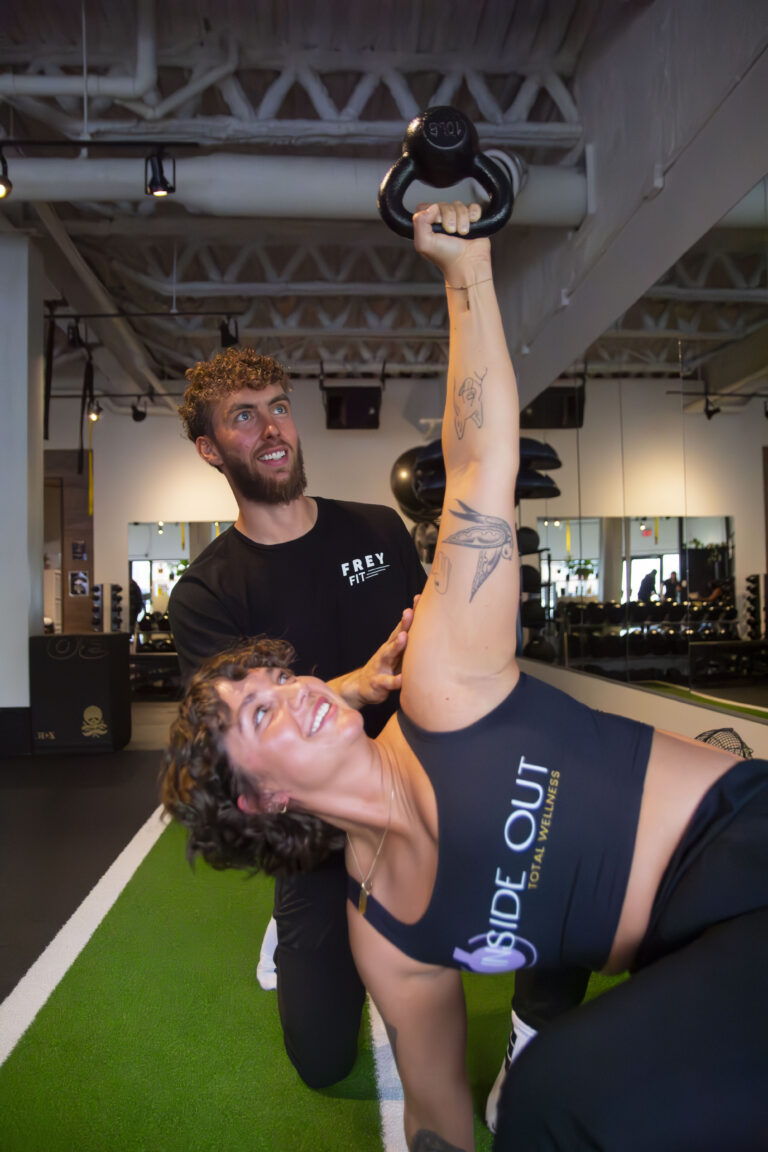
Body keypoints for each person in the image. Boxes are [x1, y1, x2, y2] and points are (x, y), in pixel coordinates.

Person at [162, 202, 768, 1151]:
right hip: (684, 951)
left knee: (548, 1096)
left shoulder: (439, 684)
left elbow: (479, 461)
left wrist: (466, 268)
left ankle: (539, 1018)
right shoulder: (389, 935)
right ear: (261, 797)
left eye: (280, 678)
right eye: (265, 710)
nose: (301, 689)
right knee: (507, 1096)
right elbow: (438, 1114)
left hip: (738, 852)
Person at [167, 345, 427, 1088]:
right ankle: (291, 923)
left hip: (419, 793)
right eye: (244, 417)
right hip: (319, 833)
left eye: (278, 405)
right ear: (211, 449)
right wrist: (363, 683)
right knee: (321, 1061)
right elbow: (243, 743)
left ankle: (528, 1027)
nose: (271, 427)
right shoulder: (207, 595)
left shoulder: (378, 531)